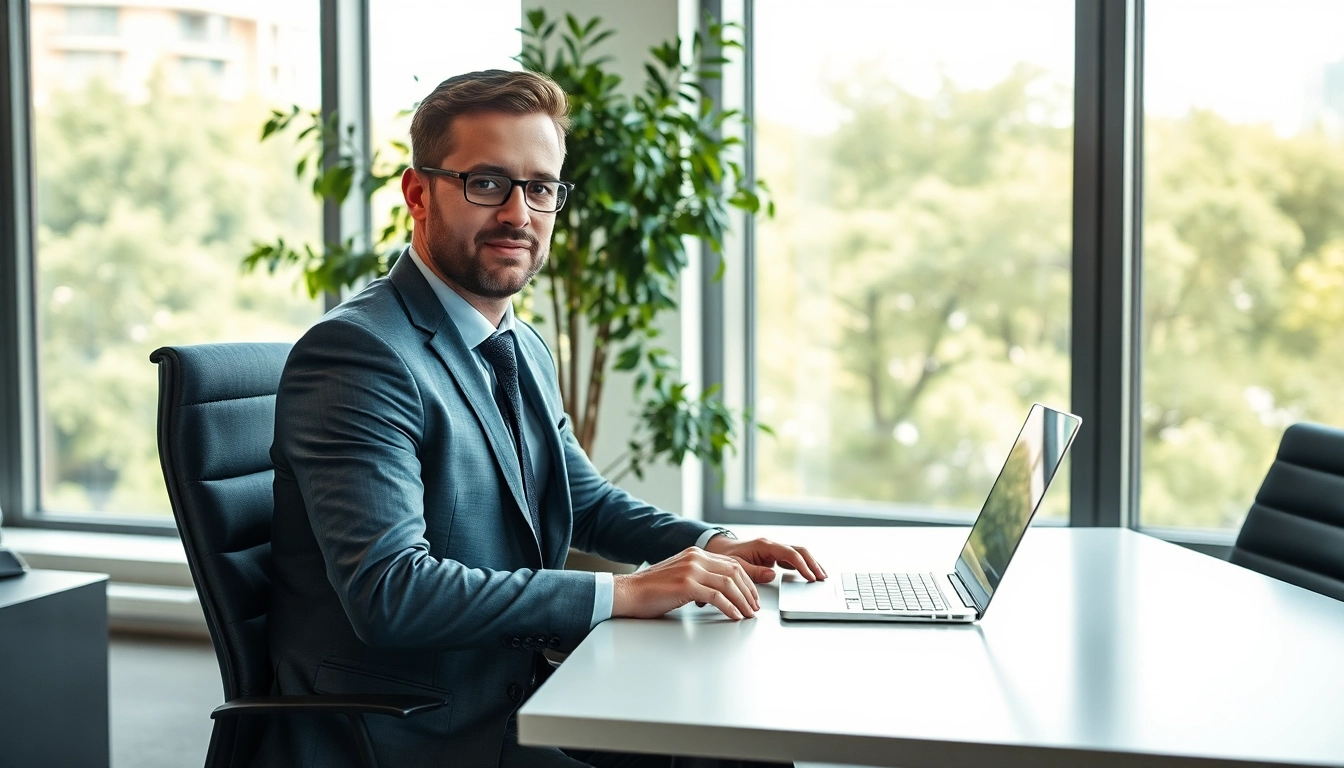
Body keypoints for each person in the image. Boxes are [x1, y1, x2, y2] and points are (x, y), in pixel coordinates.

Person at [258, 69, 826, 768]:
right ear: (418, 194)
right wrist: (621, 592)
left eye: (540, 187)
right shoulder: (360, 354)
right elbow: (391, 593)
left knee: (739, 742)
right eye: (487, 183)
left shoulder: (517, 341)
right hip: (414, 730)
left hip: (519, 691)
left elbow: (581, 499)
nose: (519, 214)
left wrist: (712, 543)